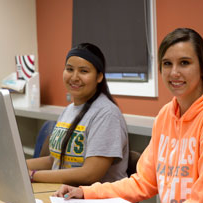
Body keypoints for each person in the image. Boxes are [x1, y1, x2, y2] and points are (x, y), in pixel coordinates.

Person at [54, 28, 203, 203]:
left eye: (184, 63)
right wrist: (86, 192)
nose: (174, 72)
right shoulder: (166, 115)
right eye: (167, 64)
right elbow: (143, 182)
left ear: (202, 68)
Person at [26, 42, 129, 185]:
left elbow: (90, 174)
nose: (74, 77)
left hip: (96, 201)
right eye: (69, 69)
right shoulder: (68, 111)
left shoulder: (107, 114)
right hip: (64, 195)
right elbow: (55, 160)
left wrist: (33, 176)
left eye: (84, 71)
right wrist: (19, 166)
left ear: (99, 77)